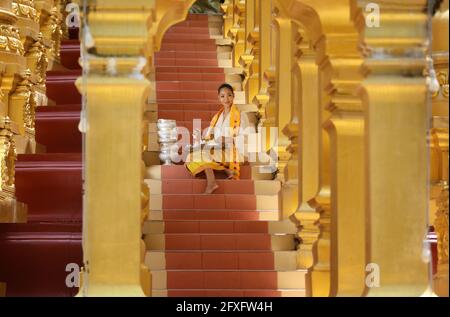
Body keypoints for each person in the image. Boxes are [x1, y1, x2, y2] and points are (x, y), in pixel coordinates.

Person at [185, 83, 255, 194]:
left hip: (235, 152)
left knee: (203, 153)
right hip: (219, 149)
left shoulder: (241, 115)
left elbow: (246, 138)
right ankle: (228, 171)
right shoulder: (217, 117)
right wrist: (202, 139)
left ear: (233, 96)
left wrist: (227, 139)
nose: (226, 99)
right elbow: (210, 138)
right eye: (222, 96)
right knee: (191, 154)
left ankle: (212, 182)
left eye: (229, 95)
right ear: (219, 98)